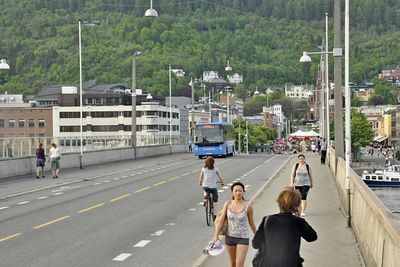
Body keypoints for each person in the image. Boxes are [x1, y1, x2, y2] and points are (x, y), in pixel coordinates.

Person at [252, 186, 317, 267]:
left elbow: (255, 244)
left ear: (279, 202)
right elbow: (312, 237)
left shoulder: (268, 220)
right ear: (296, 206)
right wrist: (299, 216)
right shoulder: (298, 222)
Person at [213, 181, 257, 267]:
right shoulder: (228, 204)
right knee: (232, 263)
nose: (238, 193)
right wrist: (216, 236)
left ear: (243, 192)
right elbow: (221, 220)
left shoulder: (248, 207)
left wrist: (258, 235)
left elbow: (251, 223)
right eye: (235, 191)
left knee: (239, 264)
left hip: (243, 238)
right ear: (232, 192)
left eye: (240, 191)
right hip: (230, 237)